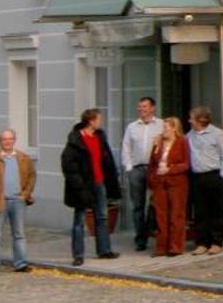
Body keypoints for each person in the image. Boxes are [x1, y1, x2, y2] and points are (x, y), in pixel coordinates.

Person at [61, 108, 121, 264]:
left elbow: (106, 159)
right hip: (83, 184)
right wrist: (78, 184)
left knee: (102, 216)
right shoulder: (75, 139)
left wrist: (112, 178)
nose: (101, 122)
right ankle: (78, 255)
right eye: (99, 119)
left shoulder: (100, 137)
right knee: (79, 220)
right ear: (91, 121)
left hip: (99, 181)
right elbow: (68, 164)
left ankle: (104, 250)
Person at [0, 128, 36, 275]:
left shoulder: (23, 158)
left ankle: (21, 263)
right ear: (0, 141)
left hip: (18, 201)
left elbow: (32, 176)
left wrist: (26, 194)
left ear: (14, 140)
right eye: (4, 139)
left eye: (10, 139)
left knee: (19, 234)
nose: (7, 142)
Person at [186, 106, 223, 255]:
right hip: (197, 176)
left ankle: (216, 242)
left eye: (192, 117)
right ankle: (202, 242)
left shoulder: (217, 134)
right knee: (200, 211)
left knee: (216, 210)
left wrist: (222, 174)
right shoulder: (189, 136)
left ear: (200, 119)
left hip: (213, 175)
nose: (189, 120)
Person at [119, 96, 161, 252]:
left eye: (144, 106)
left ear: (152, 108)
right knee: (137, 206)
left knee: (155, 203)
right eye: (139, 107)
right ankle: (140, 239)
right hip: (136, 169)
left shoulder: (161, 125)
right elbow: (126, 148)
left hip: (153, 169)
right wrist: (129, 167)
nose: (141, 109)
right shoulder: (132, 127)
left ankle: (154, 232)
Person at [148, 116, 190, 257]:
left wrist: (170, 169)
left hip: (177, 183)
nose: (163, 130)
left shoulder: (182, 142)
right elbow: (152, 163)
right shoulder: (158, 142)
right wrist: (152, 181)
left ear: (174, 128)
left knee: (176, 215)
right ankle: (161, 248)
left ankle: (175, 247)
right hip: (160, 182)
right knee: (161, 216)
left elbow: (186, 164)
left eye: (166, 127)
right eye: (163, 127)